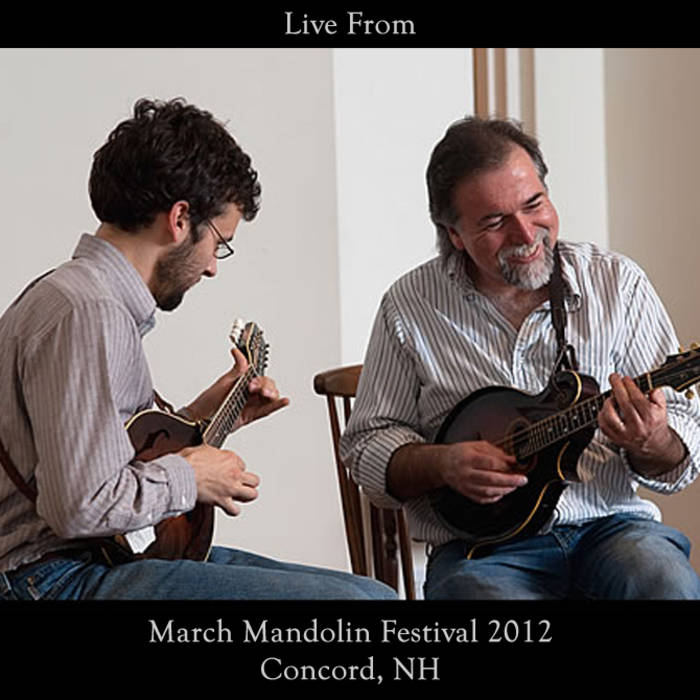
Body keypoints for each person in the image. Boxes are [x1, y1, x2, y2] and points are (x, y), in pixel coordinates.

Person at [0, 98, 395, 601]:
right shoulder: (88, 311)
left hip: (90, 562)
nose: (212, 266)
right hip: (51, 578)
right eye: (219, 243)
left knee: (371, 594)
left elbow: (99, 460)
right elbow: (80, 505)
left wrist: (202, 416)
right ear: (181, 218)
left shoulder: (85, 299)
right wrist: (190, 475)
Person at [340, 116, 700, 599]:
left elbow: (683, 447)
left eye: (535, 205)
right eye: (494, 222)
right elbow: (366, 445)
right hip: (481, 550)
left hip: (611, 528)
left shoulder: (618, 284)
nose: (526, 233)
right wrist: (441, 464)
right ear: (454, 233)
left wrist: (652, 440)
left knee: (664, 580)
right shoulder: (409, 305)